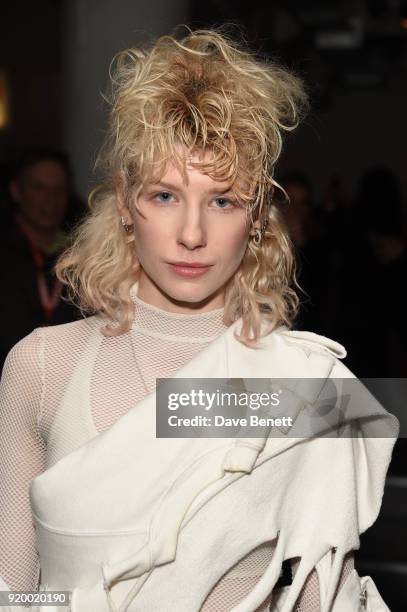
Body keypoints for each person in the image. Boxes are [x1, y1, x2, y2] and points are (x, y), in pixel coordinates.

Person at [0, 27, 398, 612]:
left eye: (223, 200)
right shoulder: (41, 364)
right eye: (165, 196)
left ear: (259, 215)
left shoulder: (304, 385)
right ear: (126, 201)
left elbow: (323, 596)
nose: (191, 234)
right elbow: (13, 590)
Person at [0, 150, 81, 370]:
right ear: (16, 191)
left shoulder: (81, 257)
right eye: (39, 188)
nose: (50, 200)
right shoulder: (5, 255)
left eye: (59, 190)